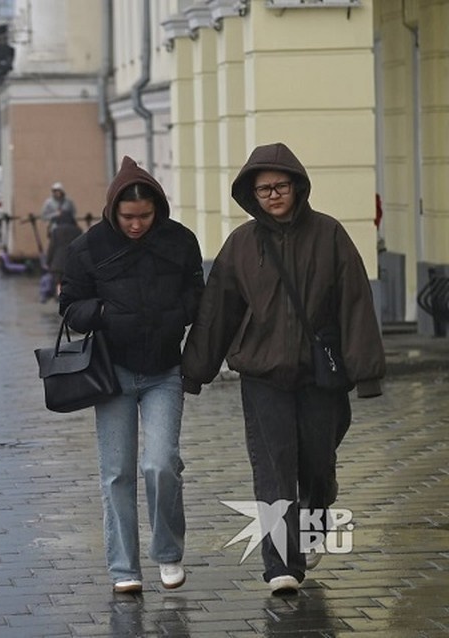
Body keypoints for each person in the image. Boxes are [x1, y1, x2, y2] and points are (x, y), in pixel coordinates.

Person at [181, 142, 386, 595]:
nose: (273, 195)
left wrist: (367, 371)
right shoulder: (240, 245)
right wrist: (195, 370)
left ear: (297, 186)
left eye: (281, 186)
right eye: (264, 189)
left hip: (319, 375)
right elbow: (217, 312)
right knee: (274, 468)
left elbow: (355, 302)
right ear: (251, 195)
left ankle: (316, 512)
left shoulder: (330, 234)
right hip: (262, 374)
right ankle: (281, 565)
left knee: (316, 461)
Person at [59, 156, 204, 594]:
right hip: (112, 372)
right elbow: (70, 306)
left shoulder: (180, 241)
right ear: (113, 211)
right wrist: (103, 312)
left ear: (158, 208)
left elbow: (199, 295)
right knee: (116, 472)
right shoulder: (87, 248)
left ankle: (168, 553)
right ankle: (124, 568)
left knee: (161, 464)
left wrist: (177, 314)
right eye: (128, 217)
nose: (137, 225)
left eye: (145, 216)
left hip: (164, 369)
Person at [45, 209, 82, 299]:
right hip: (73, 264)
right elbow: (81, 248)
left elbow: (51, 248)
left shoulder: (56, 231)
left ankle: (59, 297)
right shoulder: (78, 231)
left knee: (58, 283)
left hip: (57, 264)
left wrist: (48, 261)